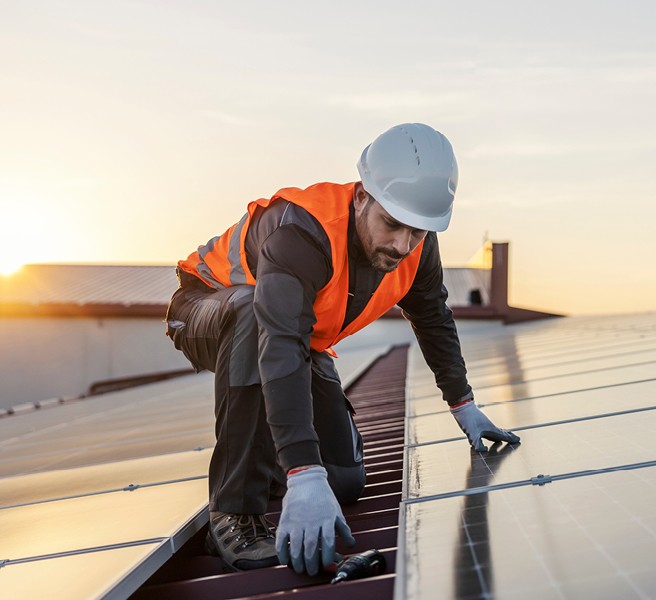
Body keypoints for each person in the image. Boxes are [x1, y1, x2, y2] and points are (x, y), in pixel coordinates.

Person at [165, 123, 520, 575]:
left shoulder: (416, 247)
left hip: (292, 334)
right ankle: (234, 513)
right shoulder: (301, 232)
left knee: (345, 482)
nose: (401, 244)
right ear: (361, 197)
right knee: (256, 320)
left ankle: (269, 460)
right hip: (207, 308)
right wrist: (302, 471)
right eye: (391, 224)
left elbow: (432, 317)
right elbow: (279, 344)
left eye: (416, 232)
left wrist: (463, 404)